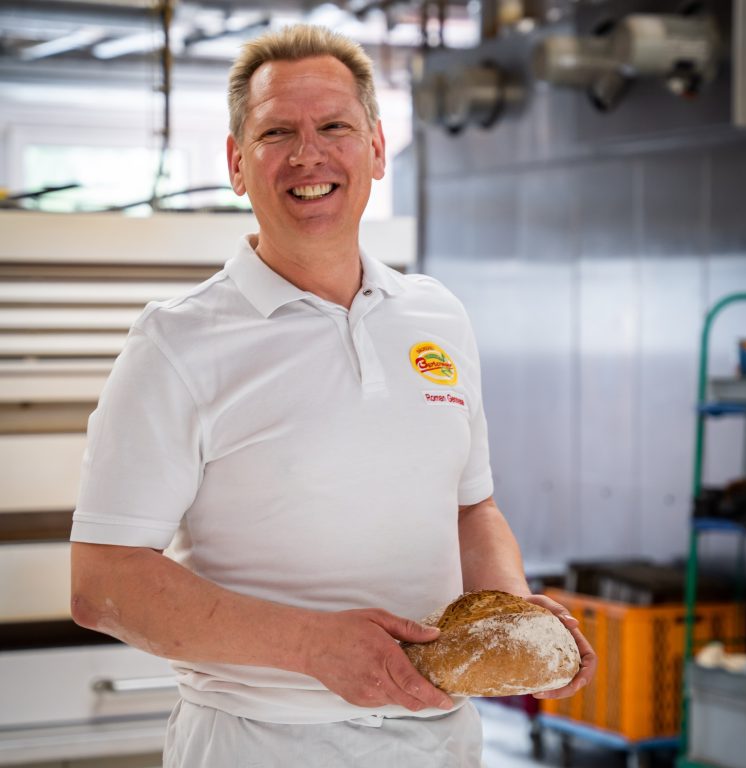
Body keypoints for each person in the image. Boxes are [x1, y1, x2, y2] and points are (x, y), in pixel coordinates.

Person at [70, 24, 596, 767]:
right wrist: (314, 647)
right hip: (262, 743)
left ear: (377, 149)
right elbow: (103, 582)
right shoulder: (176, 342)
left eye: (335, 127)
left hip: (441, 739)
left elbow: (471, 509)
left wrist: (513, 624)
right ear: (235, 163)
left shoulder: (436, 314)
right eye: (276, 131)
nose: (307, 155)